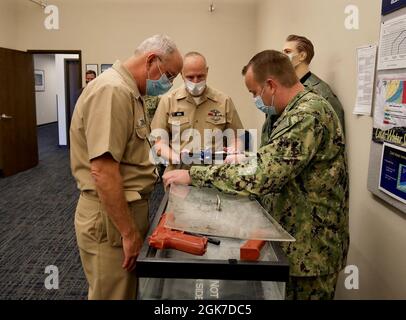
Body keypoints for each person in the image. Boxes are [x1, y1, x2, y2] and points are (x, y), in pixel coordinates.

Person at [163, 50, 349, 300]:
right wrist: (248, 159)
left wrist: (193, 175)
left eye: (254, 93)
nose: (254, 99)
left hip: (310, 251)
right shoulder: (289, 113)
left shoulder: (306, 115)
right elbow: (279, 161)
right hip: (292, 241)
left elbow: (262, 175)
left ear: (270, 85)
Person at [70, 34, 183, 300]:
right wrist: (128, 232)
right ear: (152, 61)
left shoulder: (131, 91)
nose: (169, 83)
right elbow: (103, 171)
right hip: (111, 219)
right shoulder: (113, 91)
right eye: (169, 75)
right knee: (114, 294)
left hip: (123, 211)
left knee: (127, 291)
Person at [150, 51, 244, 171]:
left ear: (207, 72)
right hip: (178, 173)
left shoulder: (223, 101)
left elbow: (237, 137)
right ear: (182, 74)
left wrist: (234, 150)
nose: (195, 81)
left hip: (214, 175)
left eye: (200, 76)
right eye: (190, 77)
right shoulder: (168, 101)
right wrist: (175, 157)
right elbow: (158, 142)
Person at [261, 35, 345, 147]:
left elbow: (335, 136)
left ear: (302, 55)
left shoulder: (321, 92)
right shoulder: (281, 89)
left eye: (287, 51)